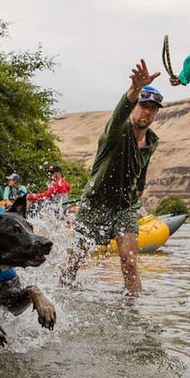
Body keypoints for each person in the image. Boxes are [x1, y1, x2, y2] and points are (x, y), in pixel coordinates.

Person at [60, 59, 161, 294]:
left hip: (125, 207)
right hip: (95, 202)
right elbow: (119, 113)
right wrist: (134, 90)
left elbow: (141, 171)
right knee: (76, 260)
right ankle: (61, 296)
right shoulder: (115, 131)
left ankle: (132, 313)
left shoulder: (152, 141)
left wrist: (138, 195)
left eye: (152, 108)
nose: (147, 111)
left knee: (130, 262)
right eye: (143, 105)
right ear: (135, 106)